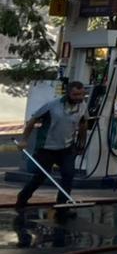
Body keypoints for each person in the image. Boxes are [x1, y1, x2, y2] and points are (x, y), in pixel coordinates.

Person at [15, 80, 88, 214]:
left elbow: (83, 124)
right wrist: (24, 140)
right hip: (47, 148)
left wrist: (81, 143)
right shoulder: (52, 106)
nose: (78, 98)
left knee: (68, 174)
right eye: (75, 95)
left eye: (81, 94)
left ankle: (62, 204)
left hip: (66, 148)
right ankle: (22, 198)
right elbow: (32, 121)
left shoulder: (82, 106)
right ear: (68, 93)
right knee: (41, 176)